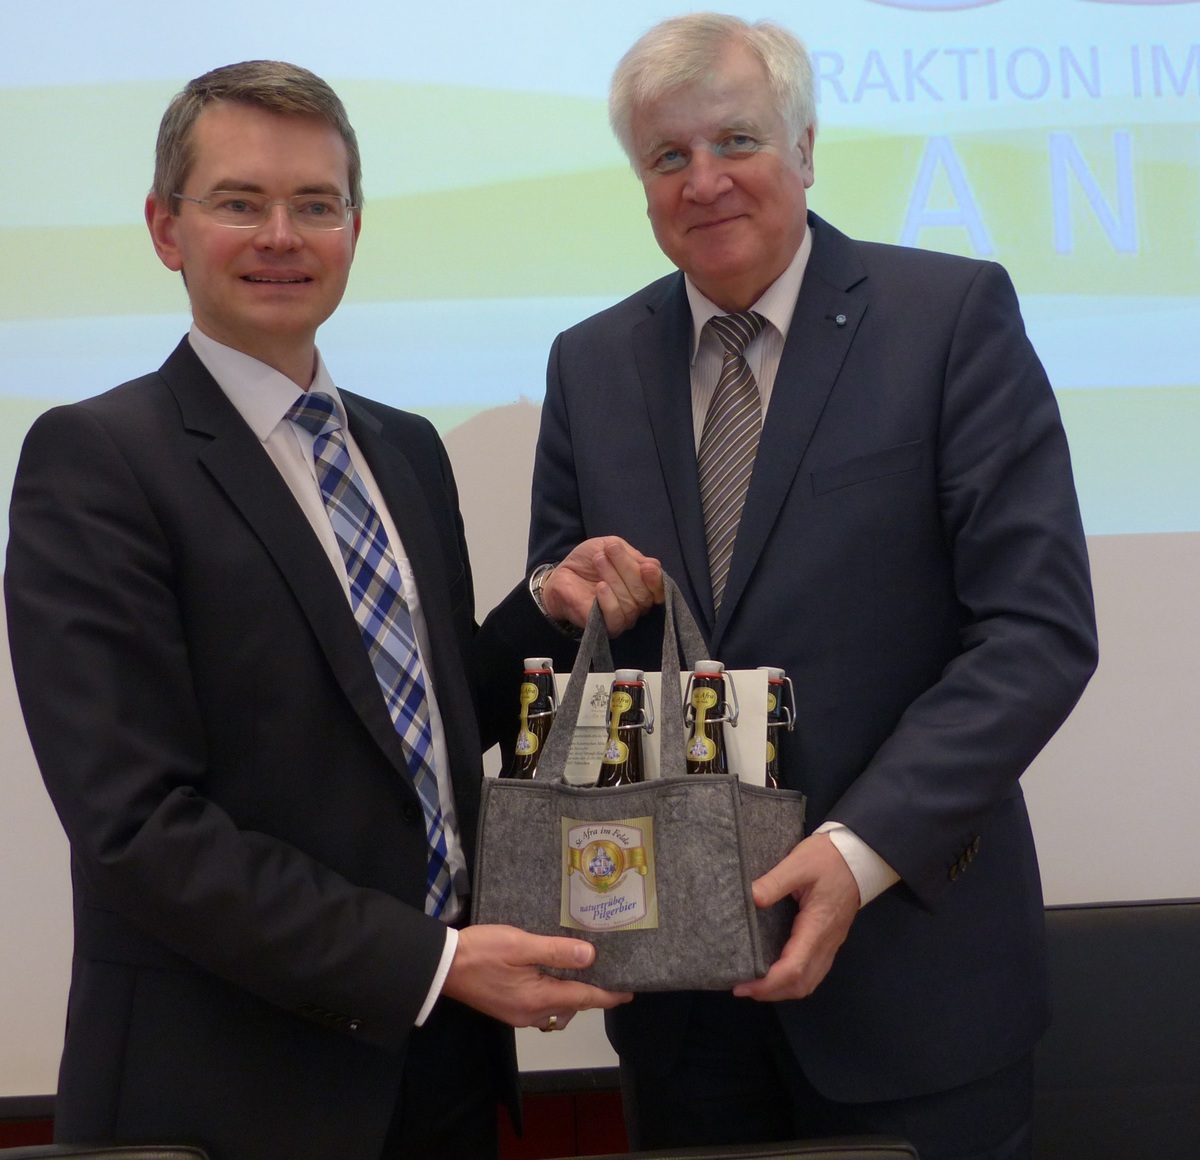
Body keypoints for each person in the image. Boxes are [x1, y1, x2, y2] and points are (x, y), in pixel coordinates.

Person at [4, 60, 664, 1160]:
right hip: (238, 1089)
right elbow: (138, 827)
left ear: (356, 227)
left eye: (317, 204)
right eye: (239, 202)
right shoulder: (96, 461)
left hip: (441, 1069)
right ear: (166, 228)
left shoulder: (401, 447)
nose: (282, 235)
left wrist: (549, 615)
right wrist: (436, 961)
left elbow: (418, 727)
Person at [525, 14, 1098, 1160]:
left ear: (806, 145)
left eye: (736, 139)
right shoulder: (589, 362)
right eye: (668, 157)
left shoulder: (950, 317)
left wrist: (856, 849)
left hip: (912, 980)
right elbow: (565, 603)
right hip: (681, 999)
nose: (705, 181)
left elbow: (1034, 630)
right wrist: (555, 587)